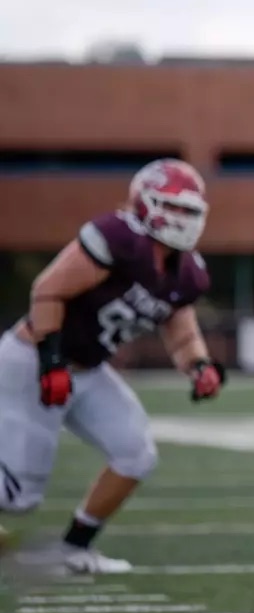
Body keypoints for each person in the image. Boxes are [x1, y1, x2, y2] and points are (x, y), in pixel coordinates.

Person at [0, 158, 225, 574]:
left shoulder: (187, 271)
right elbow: (48, 291)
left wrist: (198, 365)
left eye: (190, 211)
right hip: (32, 360)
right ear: (146, 204)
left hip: (86, 370)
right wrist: (50, 362)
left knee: (135, 452)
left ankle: (73, 548)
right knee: (17, 498)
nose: (183, 219)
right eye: (173, 207)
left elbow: (180, 328)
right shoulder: (118, 237)